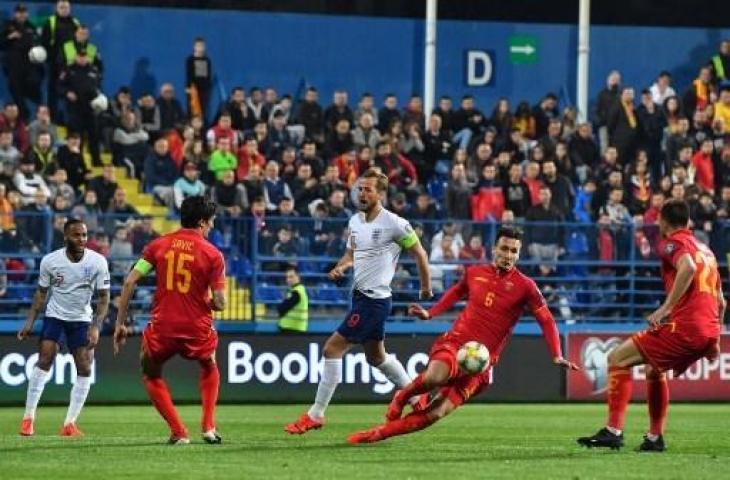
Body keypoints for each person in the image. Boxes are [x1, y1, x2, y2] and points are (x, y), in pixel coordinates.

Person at [347, 227, 578, 444]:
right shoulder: (474, 272)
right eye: (504, 249)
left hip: (482, 364)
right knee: (435, 377)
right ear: (494, 249)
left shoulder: (526, 286)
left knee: (436, 413)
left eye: (514, 251)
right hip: (455, 343)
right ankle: (402, 396)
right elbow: (455, 293)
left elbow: (546, 319)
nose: (508, 255)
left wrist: (557, 354)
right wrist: (431, 313)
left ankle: (378, 434)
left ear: (518, 254)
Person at [284, 168, 433, 435]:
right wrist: (341, 267)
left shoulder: (395, 223)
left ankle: (315, 414)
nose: (362, 194)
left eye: (368, 189)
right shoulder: (354, 221)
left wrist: (425, 288)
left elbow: (420, 254)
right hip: (361, 298)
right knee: (377, 358)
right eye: (360, 189)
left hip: (374, 301)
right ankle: (416, 397)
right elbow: (351, 254)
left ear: (381, 193)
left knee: (331, 349)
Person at [578, 199, 724, 452]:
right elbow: (721, 301)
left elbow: (686, 267)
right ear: (688, 221)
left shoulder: (671, 242)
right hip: (708, 329)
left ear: (662, 221)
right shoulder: (707, 251)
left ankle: (613, 430)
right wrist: (715, 340)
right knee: (654, 371)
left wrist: (665, 308)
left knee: (616, 359)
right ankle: (655, 438)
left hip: (686, 327)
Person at [113, 196, 226, 445]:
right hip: (197, 326)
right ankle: (208, 427)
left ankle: (179, 431)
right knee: (209, 365)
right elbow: (220, 303)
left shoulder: (158, 245)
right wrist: (204, 301)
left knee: (150, 372)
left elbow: (130, 281)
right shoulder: (213, 254)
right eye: (211, 222)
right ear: (201, 222)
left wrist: (120, 322)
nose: (212, 227)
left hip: (163, 326)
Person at [17, 218, 110, 437]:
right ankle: (28, 418)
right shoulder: (50, 261)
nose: (82, 239)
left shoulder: (98, 262)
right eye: (77, 235)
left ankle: (69, 424)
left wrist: (96, 326)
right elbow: (41, 292)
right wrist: (30, 322)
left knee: (85, 368)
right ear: (66, 236)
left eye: (85, 235)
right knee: (46, 358)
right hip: (55, 316)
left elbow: (104, 297)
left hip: (82, 319)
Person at [277, 266, 309, 333]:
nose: (288, 280)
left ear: (298, 276)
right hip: (294, 328)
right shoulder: (298, 290)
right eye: (287, 277)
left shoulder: (297, 292)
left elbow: (281, 308)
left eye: (291, 277)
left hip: (292, 330)